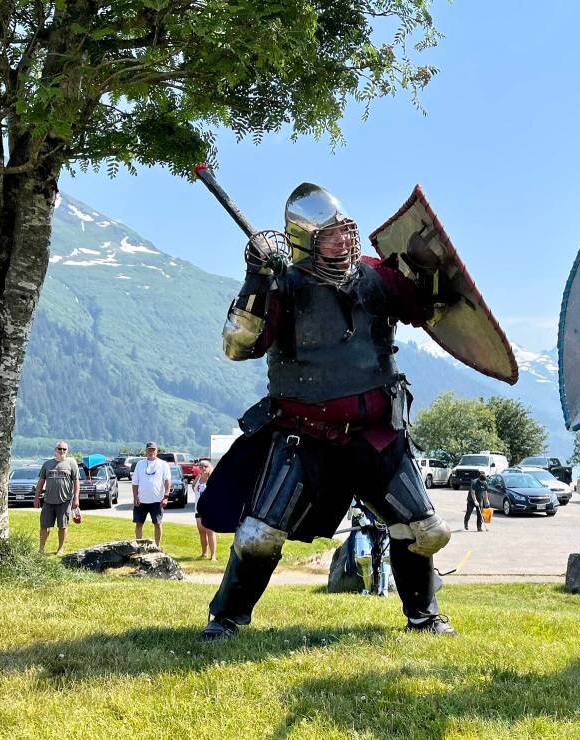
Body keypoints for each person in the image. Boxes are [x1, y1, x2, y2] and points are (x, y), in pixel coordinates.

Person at [198, 183, 463, 641]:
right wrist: (257, 277)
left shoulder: (377, 277)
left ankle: (424, 616)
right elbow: (239, 346)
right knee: (259, 535)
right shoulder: (283, 286)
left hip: (377, 434)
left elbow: (429, 308)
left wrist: (424, 262)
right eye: (330, 235)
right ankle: (225, 619)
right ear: (306, 243)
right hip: (304, 436)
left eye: (345, 231)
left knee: (426, 530)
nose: (342, 241)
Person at [34, 440, 80, 555]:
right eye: (60, 449)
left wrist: (76, 498)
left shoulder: (71, 463)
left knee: (62, 526)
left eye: (64, 449)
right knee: (44, 525)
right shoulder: (47, 464)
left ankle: (60, 548)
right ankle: (41, 548)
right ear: (55, 450)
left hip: (64, 501)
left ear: (67, 451)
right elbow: (41, 481)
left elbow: (76, 482)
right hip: (48, 501)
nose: (62, 451)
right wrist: (36, 497)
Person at [132, 441, 171, 547]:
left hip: (157, 500)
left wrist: (166, 497)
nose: (151, 452)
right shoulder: (140, 464)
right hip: (141, 500)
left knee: (158, 524)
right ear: (146, 451)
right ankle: (139, 546)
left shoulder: (163, 464)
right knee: (139, 524)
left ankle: (157, 546)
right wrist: (135, 497)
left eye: (153, 450)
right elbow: (135, 483)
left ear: (156, 451)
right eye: (149, 450)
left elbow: (167, 482)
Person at [194, 459, 216, 560]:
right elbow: (194, 487)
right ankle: (204, 553)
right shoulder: (198, 478)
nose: (203, 468)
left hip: (209, 510)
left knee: (210, 532)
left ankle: (213, 556)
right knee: (202, 532)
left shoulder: (212, 479)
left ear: (209, 467)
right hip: (198, 510)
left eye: (205, 466)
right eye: (201, 466)